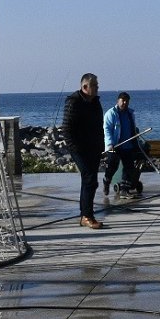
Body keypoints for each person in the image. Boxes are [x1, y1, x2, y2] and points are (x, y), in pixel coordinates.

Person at [63, 73, 105, 229]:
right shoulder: (73, 102)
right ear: (85, 87)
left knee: (91, 181)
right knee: (89, 178)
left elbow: (99, 126)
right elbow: (67, 128)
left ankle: (85, 214)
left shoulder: (96, 102)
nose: (97, 88)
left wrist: (101, 146)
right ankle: (87, 216)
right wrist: (74, 147)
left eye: (97, 85)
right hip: (79, 148)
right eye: (94, 85)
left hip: (94, 148)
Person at [103, 91, 143, 198]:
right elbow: (107, 130)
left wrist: (136, 137)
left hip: (128, 145)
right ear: (118, 101)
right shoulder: (111, 114)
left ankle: (124, 190)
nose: (125, 103)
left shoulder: (130, 113)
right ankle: (106, 181)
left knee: (129, 167)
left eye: (127, 101)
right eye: (123, 100)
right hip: (115, 146)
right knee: (113, 166)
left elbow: (132, 128)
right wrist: (110, 144)